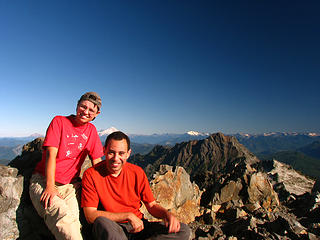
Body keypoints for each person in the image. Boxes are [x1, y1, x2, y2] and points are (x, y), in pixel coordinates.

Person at [81, 131, 191, 240]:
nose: (116, 158)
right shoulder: (91, 174)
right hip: (113, 227)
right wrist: (127, 216)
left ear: (128, 154)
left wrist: (167, 215)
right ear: (104, 150)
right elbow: (90, 215)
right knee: (102, 222)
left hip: (139, 227)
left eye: (121, 153)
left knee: (183, 230)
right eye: (111, 152)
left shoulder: (137, 172)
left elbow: (151, 206)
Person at [29, 92, 104, 240]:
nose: (86, 112)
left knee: (75, 226)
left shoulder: (91, 131)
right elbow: (51, 155)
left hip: (69, 187)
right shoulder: (59, 122)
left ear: (97, 114)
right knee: (66, 224)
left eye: (91, 110)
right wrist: (50, 186)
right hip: (44, 181)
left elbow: (97, 162)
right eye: (83, 106)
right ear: (77, 105)